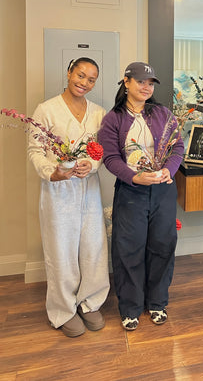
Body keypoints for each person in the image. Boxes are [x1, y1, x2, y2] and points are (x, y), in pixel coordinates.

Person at [98, 62, 184, 331]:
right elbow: (110, 158)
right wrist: (134, 177)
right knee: (129, 249)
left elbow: (177, 147)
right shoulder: (113, 119)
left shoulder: (163, 114)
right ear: (126, 82)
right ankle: (131, 306)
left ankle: (157, 302)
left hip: (163, 191)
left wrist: (169, 171)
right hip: (131, 191)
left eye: (150, 83)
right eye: (140, 82)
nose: (146, 87)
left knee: (162, 246)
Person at [28, 57, 109, 338]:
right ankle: (63, 310)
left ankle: (91, 301)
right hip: (58, 190)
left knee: (93, 246)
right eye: (80, 75)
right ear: (69, 73)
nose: (84, 82)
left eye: (91, 79)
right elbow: (35, 151)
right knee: (60, 250)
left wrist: (93, 165)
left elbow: (102, 150)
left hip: (89, 189)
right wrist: (53, 173)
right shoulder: (46, 110)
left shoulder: (99, 113)